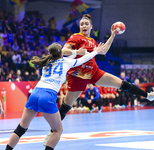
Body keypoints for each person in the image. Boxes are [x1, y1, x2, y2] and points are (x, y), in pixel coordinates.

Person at [43, 14, 154, 145]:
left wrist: (112, 35)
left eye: (86, 24)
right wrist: (79, 51)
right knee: (66, 105)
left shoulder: (93, 41)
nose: (83, 26)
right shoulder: (76, 37)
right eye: (82, 24)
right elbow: (64, 50)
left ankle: (148, 95)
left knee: (121, 83)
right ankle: (51, 132)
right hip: (77, 75)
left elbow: (104, 50)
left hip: (94, 72)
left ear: (91, 26)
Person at [5, 42, 105, 150]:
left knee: (21, 128)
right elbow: (83, 60)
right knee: (58, 130)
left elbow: (59, 58)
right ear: (61, 53)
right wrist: (96, 51)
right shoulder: (66, 62)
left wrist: (75, 52)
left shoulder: (46, 63)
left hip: (35, 93)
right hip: (47, 96)